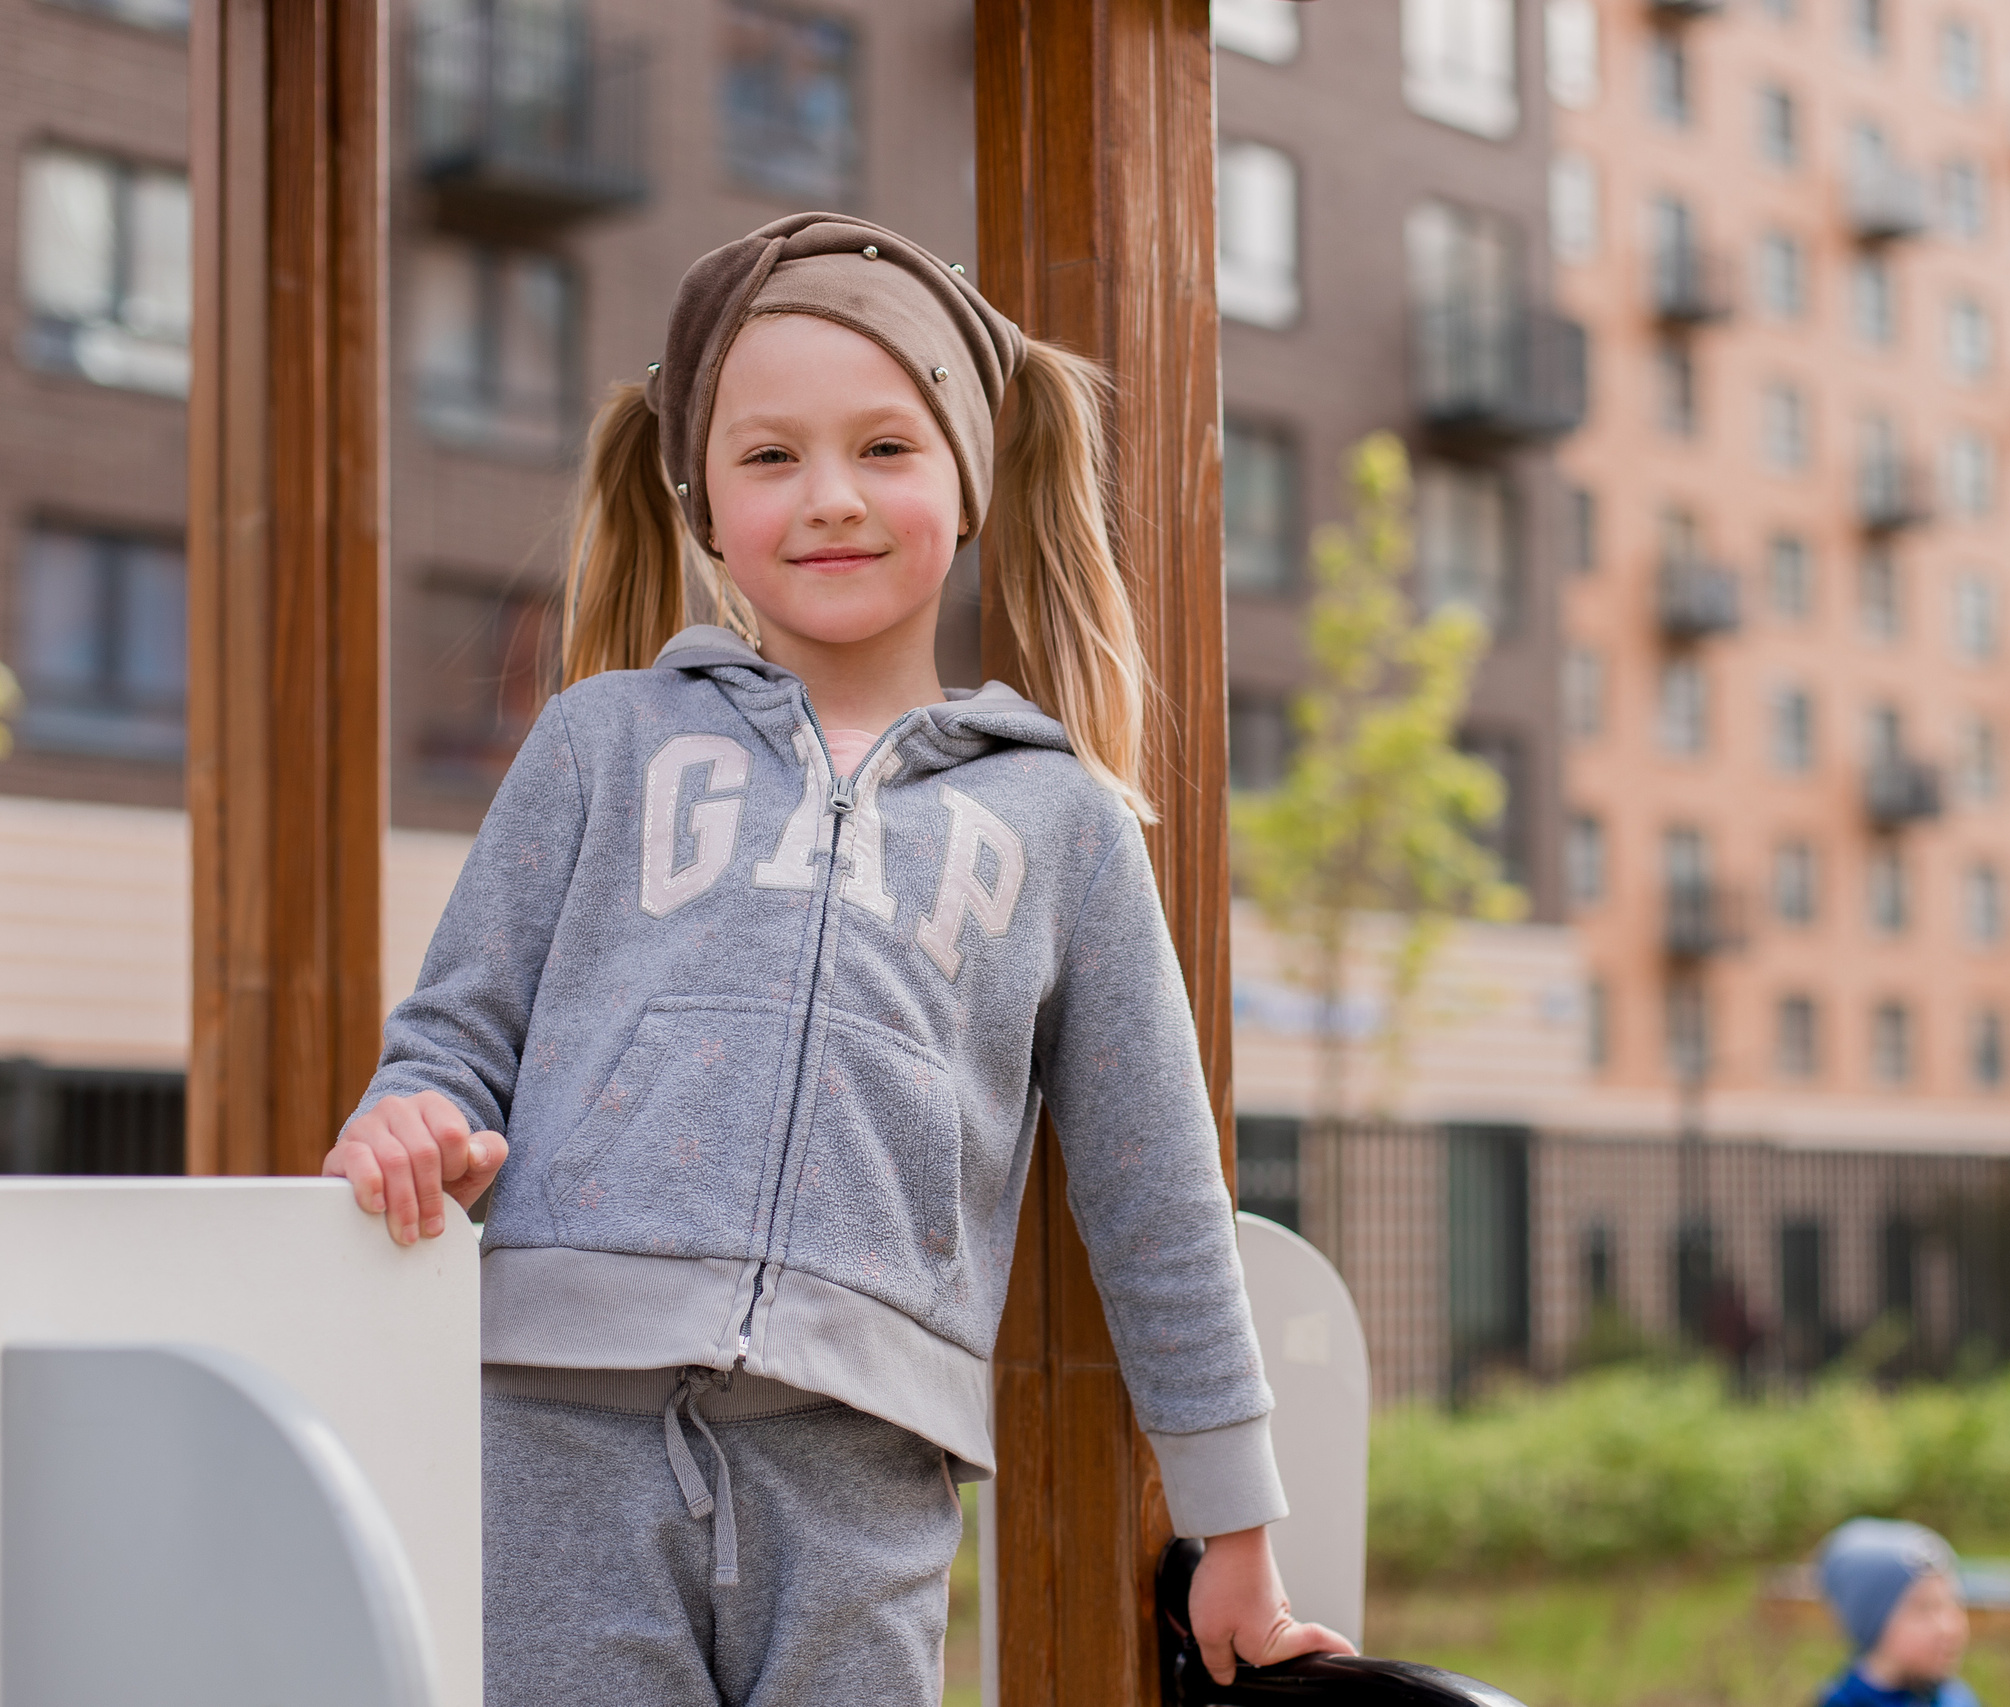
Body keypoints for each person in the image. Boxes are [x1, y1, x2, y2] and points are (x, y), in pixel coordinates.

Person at [323, 211, 1353, 1705]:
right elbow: (450, 1033)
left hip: (867, 1459)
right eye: (768, 456)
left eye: (885, 448)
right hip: (554, 1434)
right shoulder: (602, 740)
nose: (830, 499)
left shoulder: (1060, 819)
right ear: (701, 503)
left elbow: (1162, 1197)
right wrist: (403, 1108)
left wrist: (1236, 1525)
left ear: (969, 483)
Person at [1814, 1518, 1980, 1707]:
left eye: (1954, 1603)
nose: (1948, 1627)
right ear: (1874, 1620)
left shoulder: (1957, 1699)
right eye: (1923, 1609)